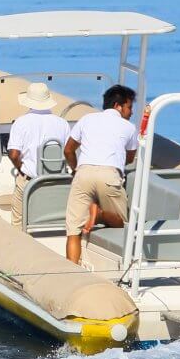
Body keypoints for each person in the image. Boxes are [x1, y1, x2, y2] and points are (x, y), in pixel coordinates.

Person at [62, 85, 139, 263]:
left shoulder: (86, 119)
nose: (131, 112)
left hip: (84, 173)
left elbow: (68, 150)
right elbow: (129, 158)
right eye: (129, 107)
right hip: (109, 175)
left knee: (73, 231)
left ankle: (71, 271)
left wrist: (75, 170)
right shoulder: (129, 127)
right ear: (118, 106)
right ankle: (101, 215)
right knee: (122, 224)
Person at [5, 81, 70, 226]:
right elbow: (68, 152)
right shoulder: (62, 123)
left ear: (28, 101)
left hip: (30, 182)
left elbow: (14, 154)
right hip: (57, 181)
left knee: (18, 223)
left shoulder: (21, 123)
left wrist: (21, 169)